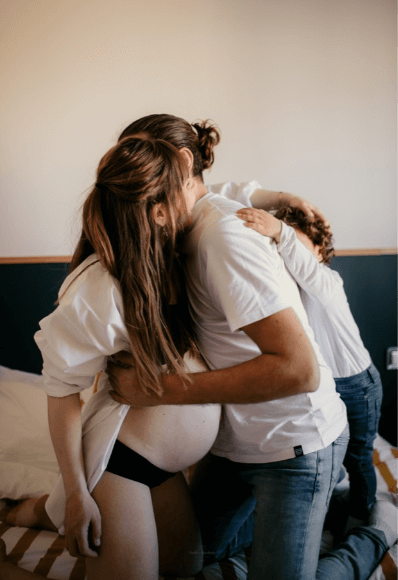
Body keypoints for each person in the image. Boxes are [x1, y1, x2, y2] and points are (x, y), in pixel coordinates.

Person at [1, 123, 322, 580]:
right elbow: (61, 392)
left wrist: (273, 197)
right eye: (183, 189)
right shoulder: (97, 289)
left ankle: (33, 510)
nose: (196, 197)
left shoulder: (166, 247)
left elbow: (213, 191)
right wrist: (76, 494)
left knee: (184, 571)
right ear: (156, 210)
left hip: (162, 470)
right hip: (121, 464)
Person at [107, 114, 397, 580]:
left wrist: (159, 391)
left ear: (181, 164)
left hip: (295, 446)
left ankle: (377, 530)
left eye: (146, 179)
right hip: (233, 448)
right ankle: (317, 520)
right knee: (188, 562)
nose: (138, 201)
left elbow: (300, 370)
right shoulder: (192, 224)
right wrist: (278, 195)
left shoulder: (224, 237)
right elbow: (227, 188)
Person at [235, 205, 384, 533]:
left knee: (359, 457)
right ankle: (336, 502)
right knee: (333, 450)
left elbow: (304, 267)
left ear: (319, 250)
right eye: (281, 249)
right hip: (325, 385)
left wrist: (280, 231)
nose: (289, 256)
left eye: (297, 247)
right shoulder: (284, 291)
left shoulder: (329, 280)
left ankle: (363, 522)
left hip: (358, 384)